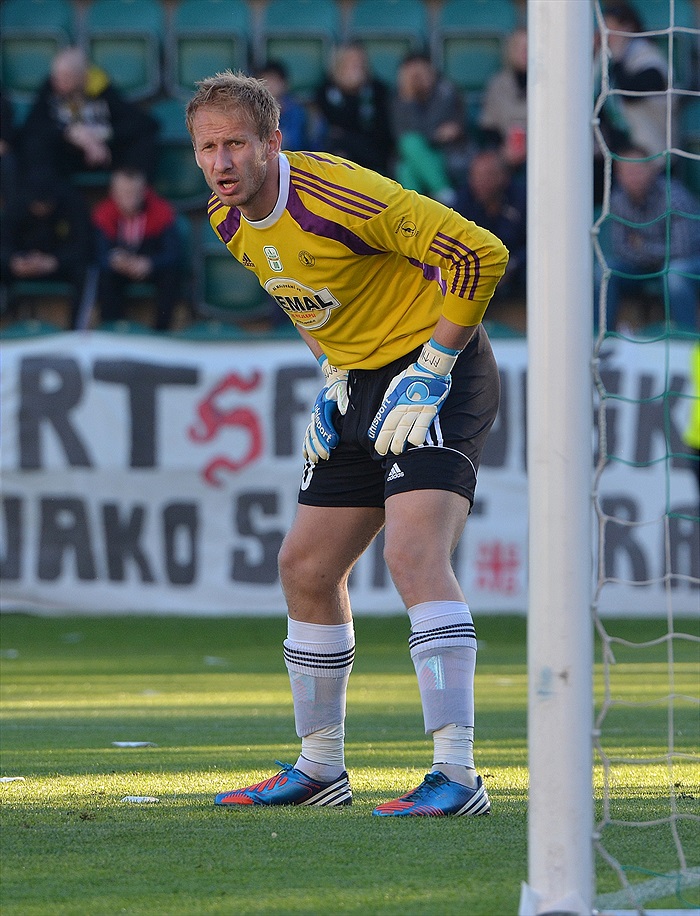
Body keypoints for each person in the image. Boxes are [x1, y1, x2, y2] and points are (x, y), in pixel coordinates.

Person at [186, 71, 508, 816]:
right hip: (361, 381)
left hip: (441, 368)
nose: (222, 162)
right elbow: (303, 297)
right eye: (208, 147)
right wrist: (332, 371)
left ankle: (457, 777)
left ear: (273, 142)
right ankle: (321, 769)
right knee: (305, 566)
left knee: (412, 553)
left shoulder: (336, 194)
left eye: (237, 143)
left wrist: (433, 366)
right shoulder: (226, 221)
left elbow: (479, 252)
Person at [20, 46, 159, 185]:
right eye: (57, 76)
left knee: (144, 141)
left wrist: (101, 135)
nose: (59, 82)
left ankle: (138, 198)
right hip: (67, 154)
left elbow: (146, 123)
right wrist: (69, 133)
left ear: (83, 76)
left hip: (105, 154)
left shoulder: (101, 88)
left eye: (67, 77)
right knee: (34, 145)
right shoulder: (51, 87)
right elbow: (32, 126)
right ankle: (45, 202)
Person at [598, 145, 700, 332]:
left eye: (638, 170)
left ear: (652, 170)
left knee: (675, 275)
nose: (633, 177)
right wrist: (653, 251)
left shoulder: (674, 196)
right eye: (628, 172)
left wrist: (641, 247)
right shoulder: (618, 201)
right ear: (618, 176)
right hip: (641, 267)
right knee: (605, 271)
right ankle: (602, 337)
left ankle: (687, 338)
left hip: (689, 262)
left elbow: (681, 250)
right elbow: (621, 249)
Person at [92, 167, 181, 330]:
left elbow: (173, 253)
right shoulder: (104, 214)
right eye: (125, 194)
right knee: (104, 276)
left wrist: (150, 263)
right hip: (119, 269)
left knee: (171, 274)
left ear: (144, 192)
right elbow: (97, 252)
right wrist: (113, 259)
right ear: (114, 193)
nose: (130, 199)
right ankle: (112, 328)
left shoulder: (161, 212)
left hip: (149, 265)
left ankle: (161, 332)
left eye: (134, 193)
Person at [1, 176, 93, 328]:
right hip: (23, 266)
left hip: (58, 266)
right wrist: (13, 261)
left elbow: (84, 246)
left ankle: (75, 332)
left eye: (45, 206)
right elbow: (4, 242)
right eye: (37, 206)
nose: (41, 210)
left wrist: (54, 262)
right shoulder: (16, 204)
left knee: (85, 271)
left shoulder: (72, 203)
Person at [392, 52, 471, 205]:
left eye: (421, 72)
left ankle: (426, 209)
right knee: (407, 158)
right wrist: (410, 99)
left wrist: (431, 134)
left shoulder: (447, 91)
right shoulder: (400, 98)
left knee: (408, 158)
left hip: (448, 152)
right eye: (412, 75)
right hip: (418, 154)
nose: (418, 79)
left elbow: (453, 129)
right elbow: (400, 134)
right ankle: (444, 197)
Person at [454, 149, 526, 307]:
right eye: (475, 176)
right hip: (479, 266)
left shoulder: (523, 199)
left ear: (504, 177)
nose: (479, 182)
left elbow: (536, 243)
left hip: (517, 269)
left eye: (487, 175)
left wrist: (513, 264)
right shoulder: (464, 200)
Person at [314, 41, 394, 176]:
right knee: (337, 151)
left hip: (372, 150)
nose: (355, 66)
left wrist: (356, 94)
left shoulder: (377, 90)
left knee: (341, 142)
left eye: (359, 62)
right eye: (350, 62)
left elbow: (379, 130)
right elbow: (336, 122)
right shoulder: (325, 90)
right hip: (340, 151)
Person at [478, 27, 528, 172]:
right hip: (504, 152)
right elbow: (488, 126)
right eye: (519, 47)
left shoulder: (551, 87)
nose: (524, 52)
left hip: (543, 151)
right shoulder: (498, 84)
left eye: (529, 47)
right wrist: (504, 150)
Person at [256, 60, 309, 152]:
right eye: (265, 81)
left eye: (274, 81)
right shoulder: (253, 112)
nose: (269, 86)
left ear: (284, 83)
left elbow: (297, 143)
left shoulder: (297, 112)